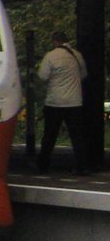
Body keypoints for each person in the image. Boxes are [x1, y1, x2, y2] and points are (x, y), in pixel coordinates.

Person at [36, 31, 89, 174]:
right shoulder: (77, 56)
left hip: (55, 102)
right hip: (75, 102)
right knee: (77, 137)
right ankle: (82, 166)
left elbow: (42, 76)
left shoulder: (51, 56)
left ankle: (43, 165)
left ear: (55, 41)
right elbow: (83, 75)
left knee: (49, 136)